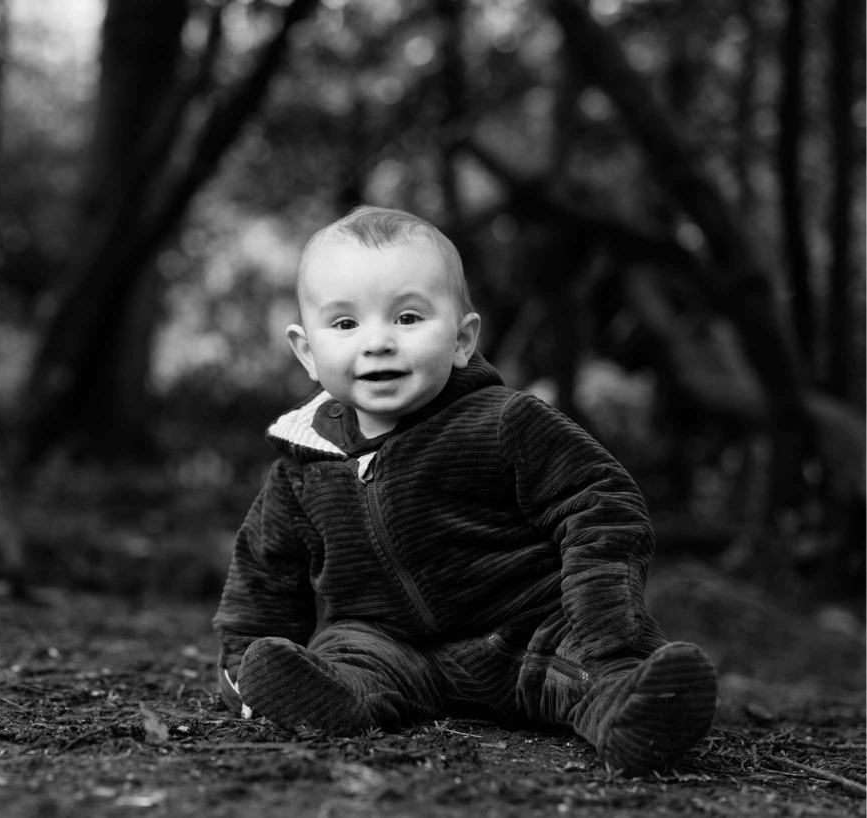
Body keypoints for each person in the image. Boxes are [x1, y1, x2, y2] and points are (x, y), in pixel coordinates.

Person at [212, 205, 717, 775]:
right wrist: (242, 670)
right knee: (347, 660)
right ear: (307, 352)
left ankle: (635, 714)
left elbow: (600, 504)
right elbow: (264, 572)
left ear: (461, 339)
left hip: (528, 630)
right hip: (388, 644)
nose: (377, 342)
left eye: (407, 318)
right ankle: (332, 700)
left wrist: (607, 629)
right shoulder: (304, 464)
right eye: (346, 324)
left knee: (587, 669)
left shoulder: (504, 422)